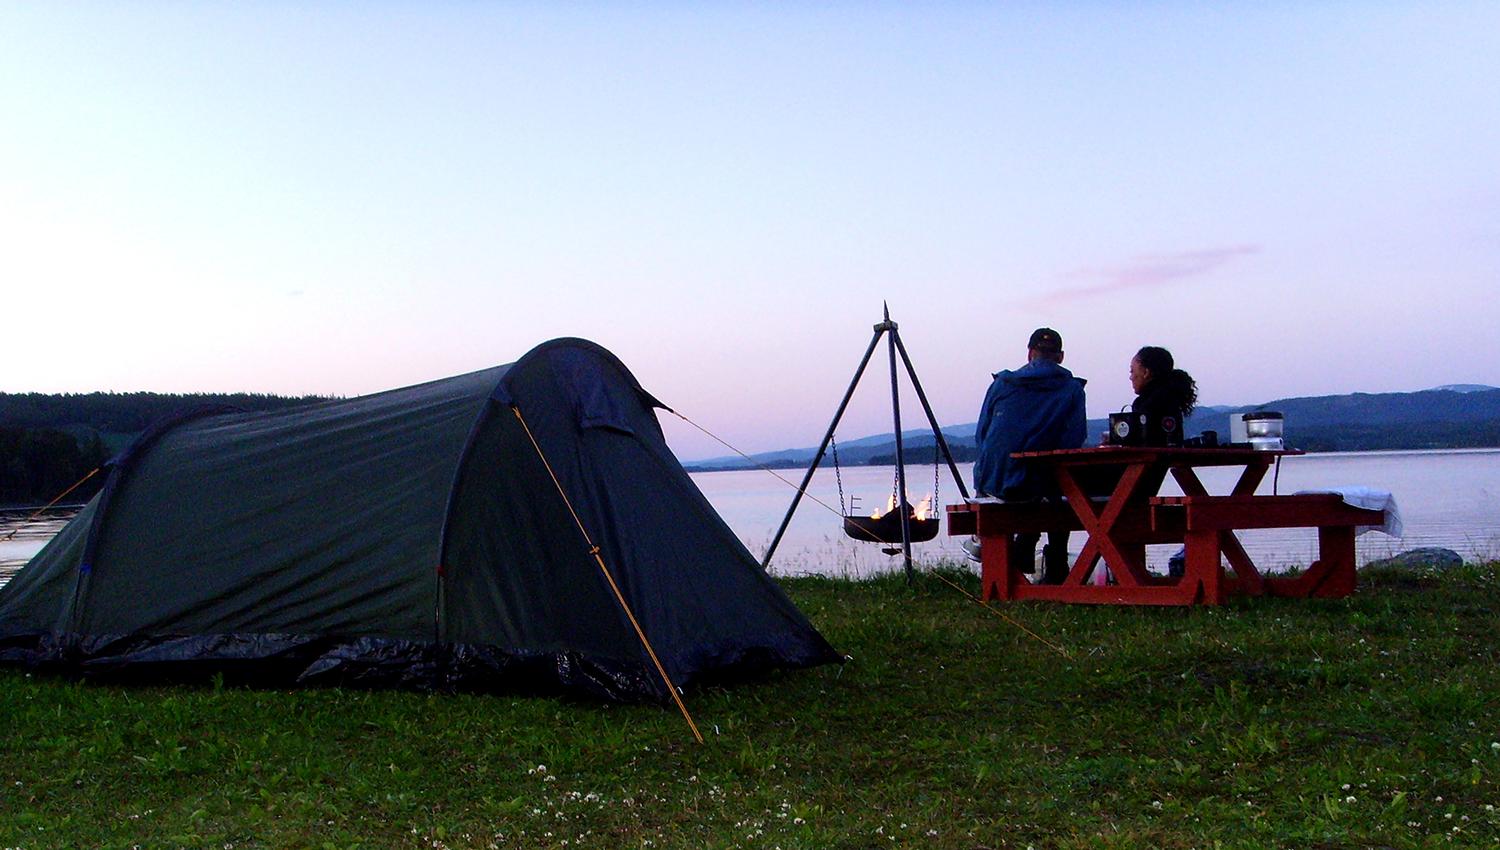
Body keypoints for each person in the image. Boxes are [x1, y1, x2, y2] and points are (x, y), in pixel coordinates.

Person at [966, 327, 1087, 584]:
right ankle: (1055, 567)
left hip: (993, 481)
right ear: (1061, 357)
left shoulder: (1002, 383)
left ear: (1030, 353)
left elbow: (982, 435)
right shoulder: (1072, 390)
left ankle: (1021, 553)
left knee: (1046, 486)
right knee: (1060, 486)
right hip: (1040, 485)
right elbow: (1073, 441)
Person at [1129, 346, 1198, 444]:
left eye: (1132, 371)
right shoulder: (1172, 396)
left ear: (1145, 372)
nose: (1131, 377)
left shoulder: (1149, 403)